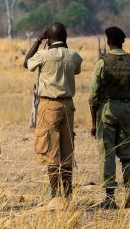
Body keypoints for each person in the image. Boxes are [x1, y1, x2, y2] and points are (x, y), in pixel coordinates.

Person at [24, 22, 82, 208]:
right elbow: (77, 68)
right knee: (67, 151)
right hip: (68, 106)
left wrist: (38, 39)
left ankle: (54, 195)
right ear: (65, 37)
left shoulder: (43, 55)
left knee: (50, 150)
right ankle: (69, 194)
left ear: (49, 38)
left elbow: (27, 63)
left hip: (49, 105)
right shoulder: (73, 56)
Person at [89, 26, 130, 209]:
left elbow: (93, 96)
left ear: (108, 42)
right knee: (128, 155)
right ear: (122, 42)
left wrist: (93, 122)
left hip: (107, 110)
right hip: (128, 110)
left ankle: (110, 198)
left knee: (107, 154)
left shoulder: (102, 62)